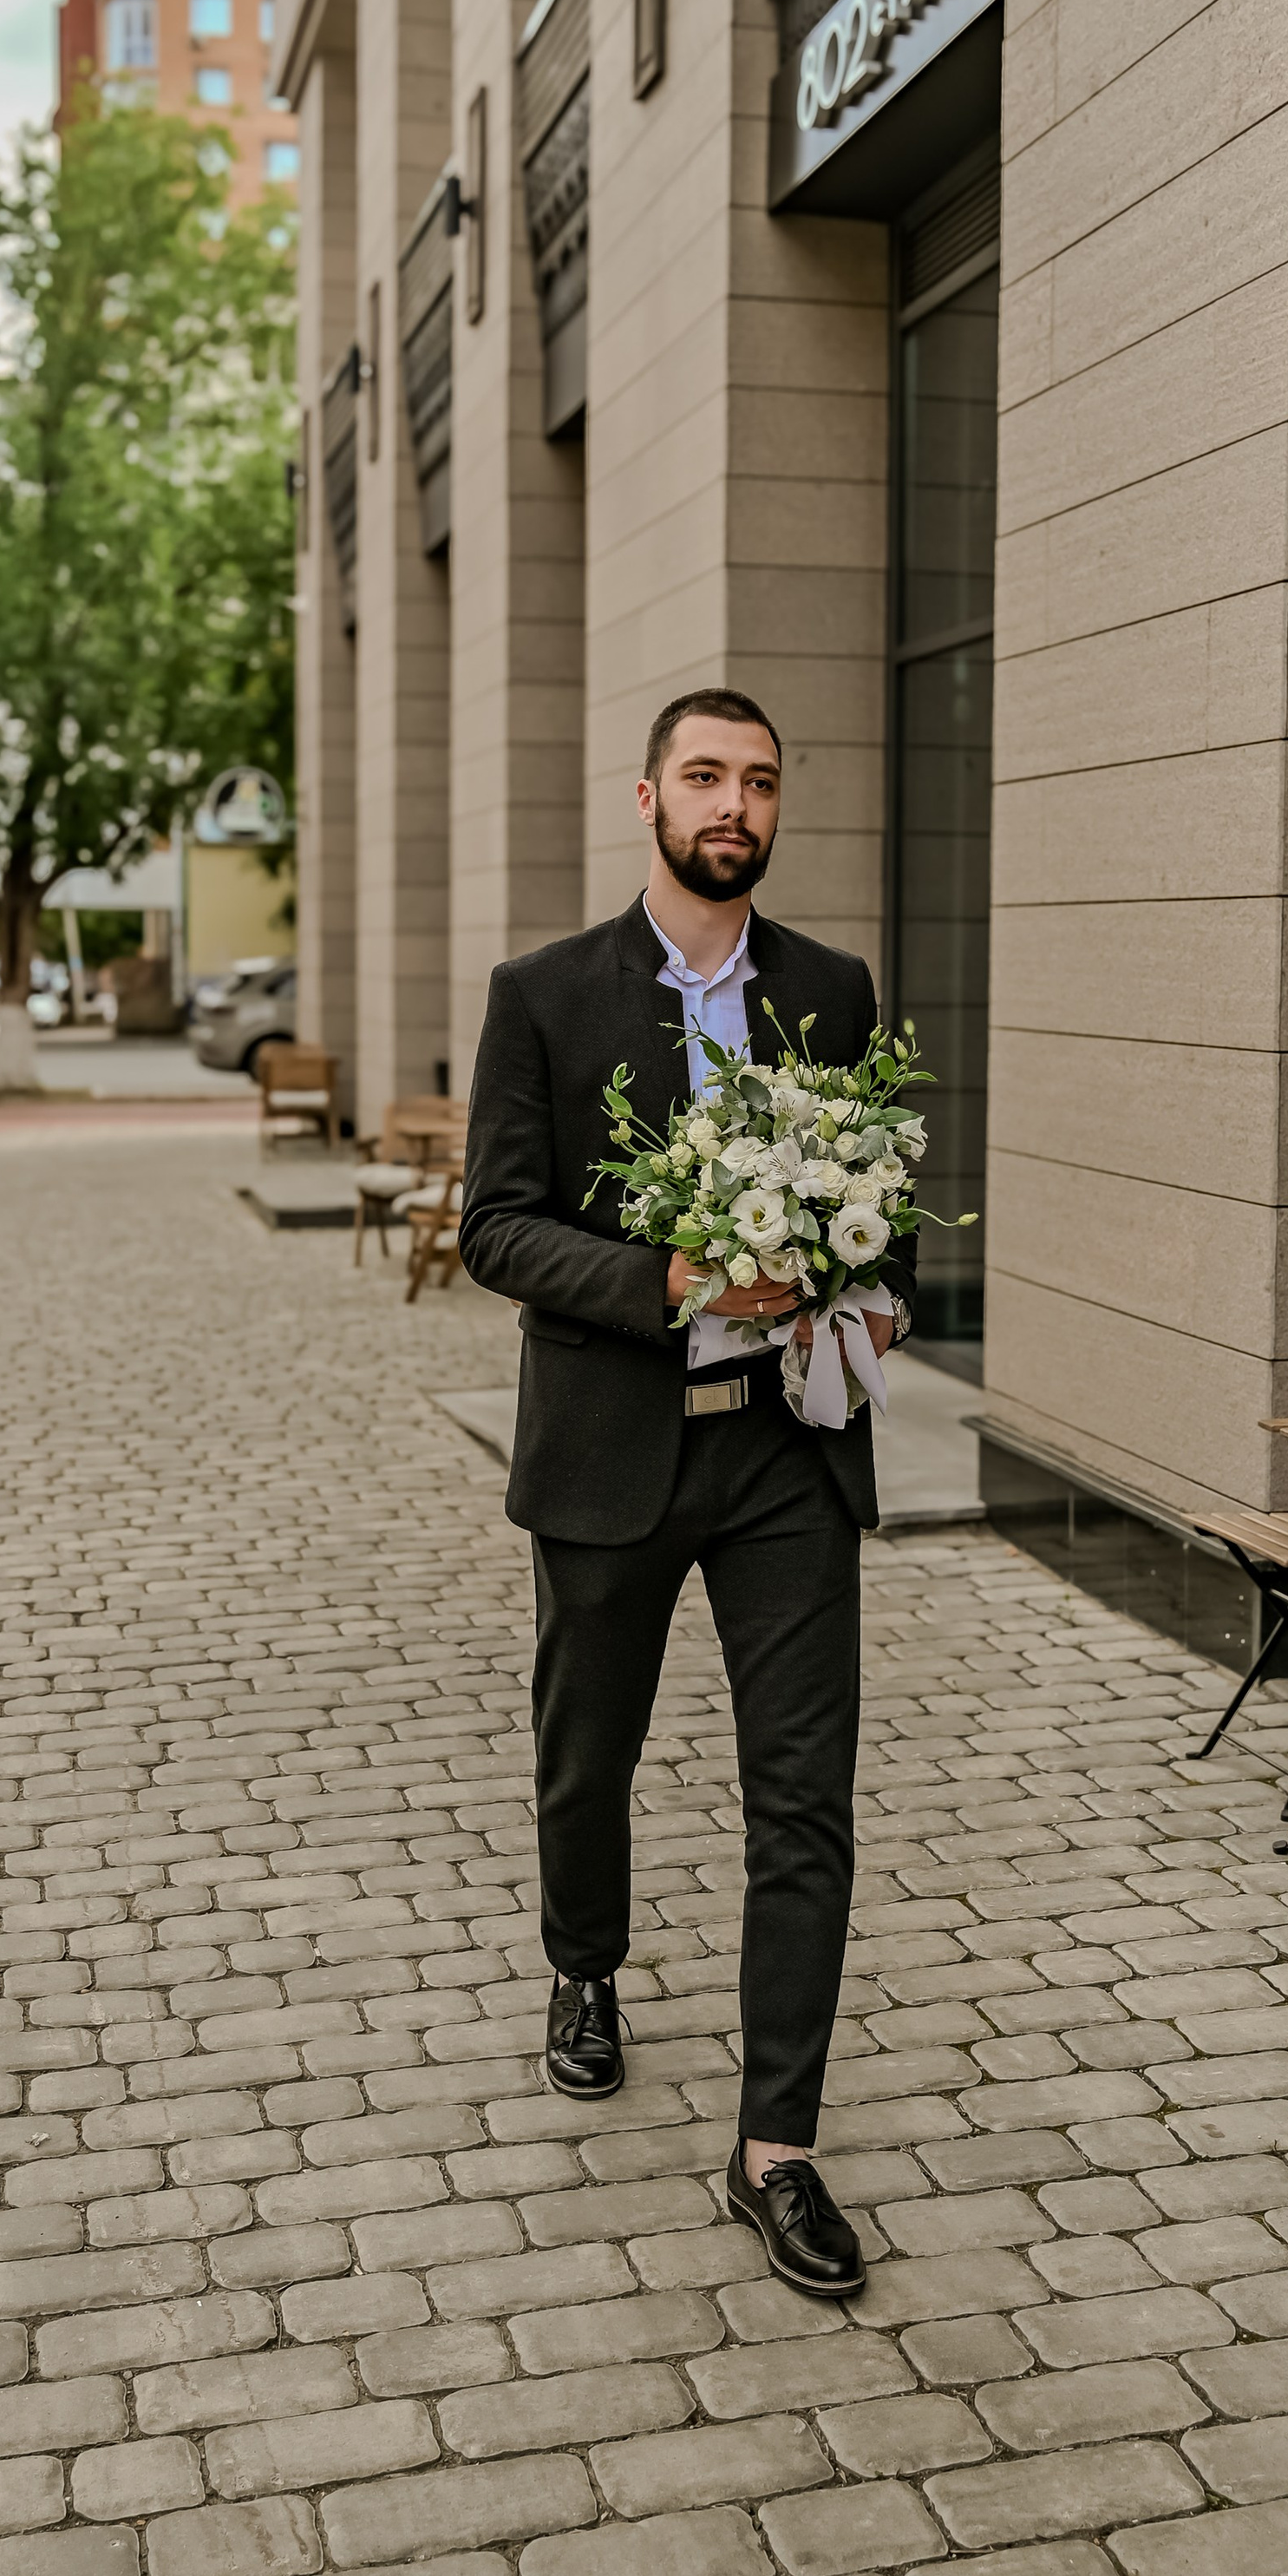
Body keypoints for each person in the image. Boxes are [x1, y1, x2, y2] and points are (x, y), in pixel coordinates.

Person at [459, 689, 914, 2297]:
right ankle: (584, 1969)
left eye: (762, 782)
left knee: (807, 1797)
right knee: (589, 1756)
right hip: (612, 1448)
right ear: (648, 796)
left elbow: (888, 1210)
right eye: (708, 777)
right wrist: (670, 1272)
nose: (736, 803)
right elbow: (497, 1228)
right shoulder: (544, 996)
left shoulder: (835, 993)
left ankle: (774, 2147)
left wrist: (878, 1286)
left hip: (792, 1450)